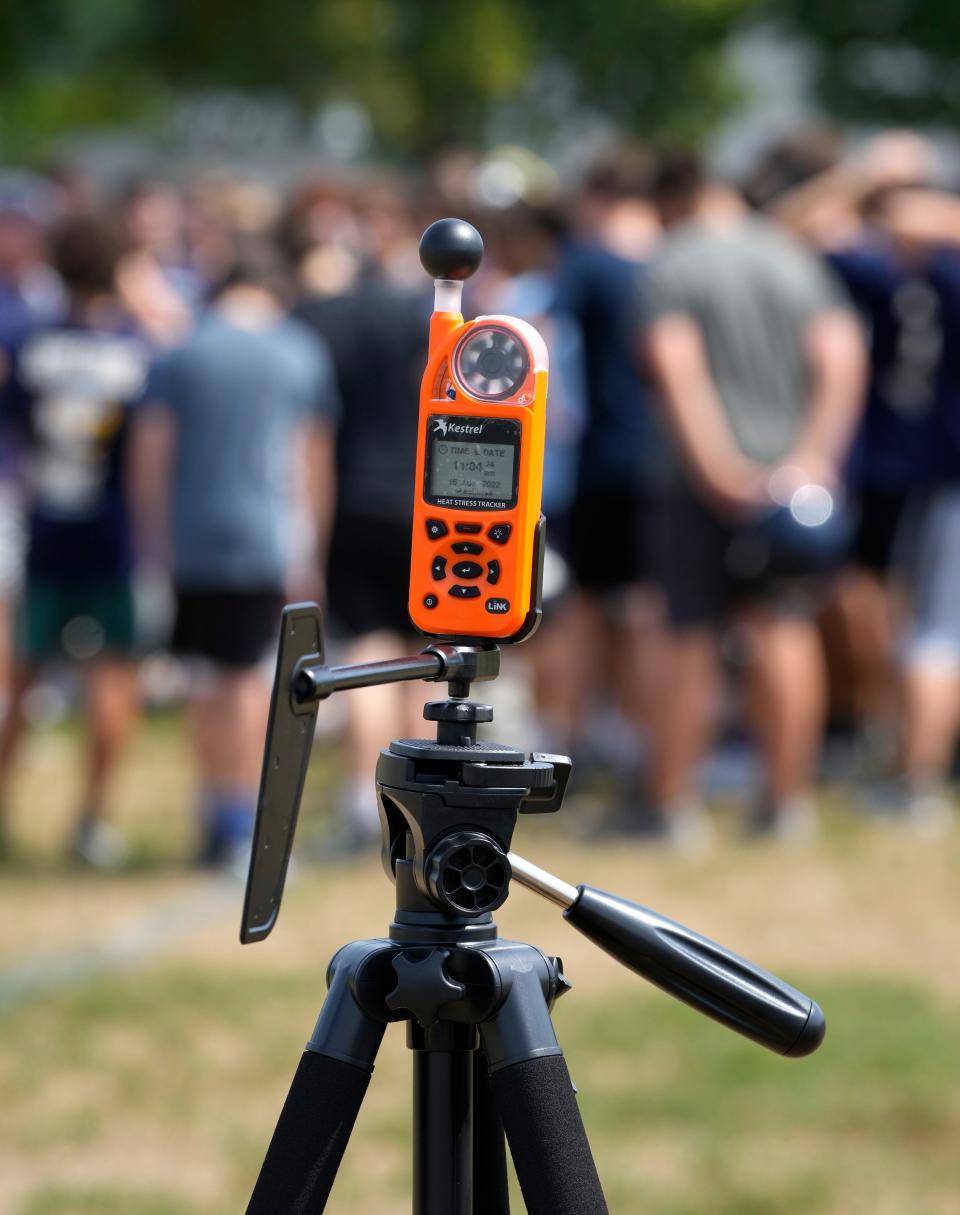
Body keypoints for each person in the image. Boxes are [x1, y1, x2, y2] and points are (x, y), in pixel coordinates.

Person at [641, 156, 865, 845]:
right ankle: (784, 801)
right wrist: (812, 462)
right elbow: (842, 353)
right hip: (788, 489)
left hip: (702, 486)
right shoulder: (790, 257)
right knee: (785, 628)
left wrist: (720, 468)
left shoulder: (673, 262)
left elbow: (675, 365)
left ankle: (674, 806)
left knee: (690, 638)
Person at [130, 239, 340, 870]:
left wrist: (155, 540)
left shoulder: (182, 353)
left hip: (194, 538)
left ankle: (214, 809)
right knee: (248, 679)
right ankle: (245, 818)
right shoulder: (298, 352)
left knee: (203, 677)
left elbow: (150, 457)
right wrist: (312, 549)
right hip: (266, 537)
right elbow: (313, 460)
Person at [0, 214, 150, 865]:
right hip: (111, 533)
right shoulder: (135, 347)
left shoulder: (31, 339)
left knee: (21, 680)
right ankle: (92, 818)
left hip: (48, 526)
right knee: (112, 677)